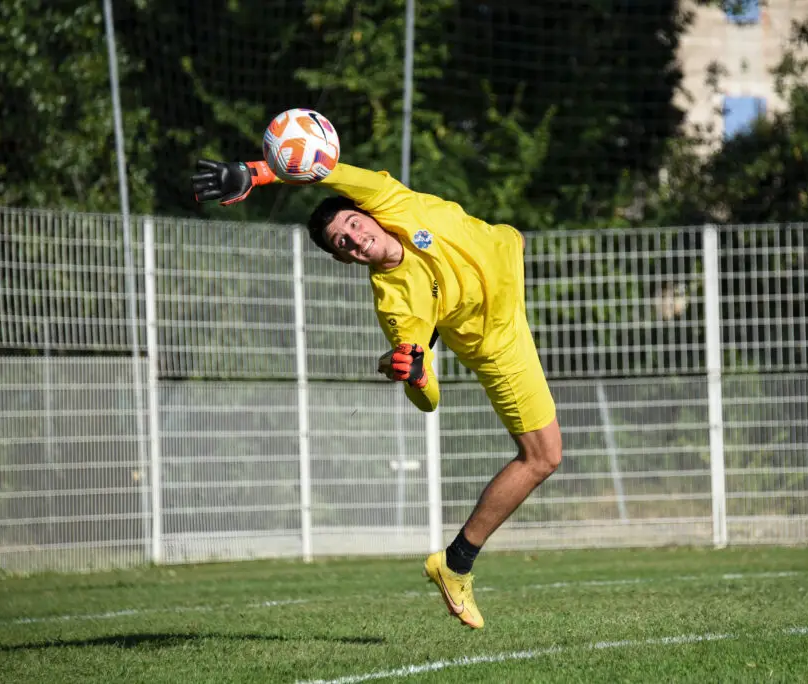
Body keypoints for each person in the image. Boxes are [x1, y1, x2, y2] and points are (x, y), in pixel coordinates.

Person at [191, 158, 562, 629]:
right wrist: (416, 377)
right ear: (345, 259)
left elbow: (321, 168)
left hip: (505, 247)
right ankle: (455, 563)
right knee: (544, 457)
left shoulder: (392, 200)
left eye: (352, 223)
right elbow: (429, 401)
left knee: (511, 237)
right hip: (498, 342)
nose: (354, 237)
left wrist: (256, 172)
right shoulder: (396, 305)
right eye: (341, 243)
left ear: (367, 212)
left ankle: (454, 561)